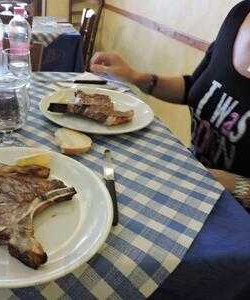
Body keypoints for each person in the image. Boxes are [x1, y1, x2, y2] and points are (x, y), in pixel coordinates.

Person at [90, 1, 250, 209]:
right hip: (194, 184)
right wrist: (134, 76)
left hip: (235, 216)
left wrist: (234, 185)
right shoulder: (239, 14)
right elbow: (194, 88)